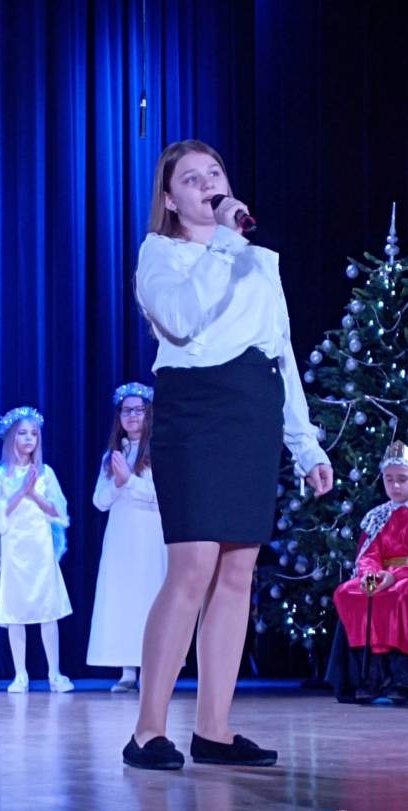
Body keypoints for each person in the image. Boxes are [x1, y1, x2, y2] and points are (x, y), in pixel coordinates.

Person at [124, 139, 333, 770]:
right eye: (191, 179)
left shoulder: (256, 260)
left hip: (253, 408)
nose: (207, 184)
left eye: (214, 172)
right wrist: (219, 244)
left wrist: (305, 443)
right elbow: (181, 319)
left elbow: (281, 351)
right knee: (192, 568)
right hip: (197, 408)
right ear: (169, 199)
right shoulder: (159, 254)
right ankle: (147, 731)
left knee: (238, 572)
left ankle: (213, 729)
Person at [0, 406, 73, 693]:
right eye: (22, 433)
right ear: (11, 437)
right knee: (16, 612)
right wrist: (21, 490)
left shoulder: (45, 473)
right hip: (15, 549)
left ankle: (54, 673)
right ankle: (20, 674)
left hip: (41, 548)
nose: (28, 439)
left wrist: (33, 492)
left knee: (48, 610)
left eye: (33, 434)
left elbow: (58, 511)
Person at [86, 383, 166, 691]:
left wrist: (129, 480)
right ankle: (127, 670)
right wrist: (118, 482)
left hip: (149, 534)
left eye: (138, 410)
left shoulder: (158, 450)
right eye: (126, 410)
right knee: (122, 598)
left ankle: (151, 670)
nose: (132, 416)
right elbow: (99, 501)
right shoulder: (113, 455)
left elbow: (161, 496)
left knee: (149, 596)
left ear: (149, 414)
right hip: (120, 536)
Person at [332, 440, 408, 702]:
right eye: (389, 480)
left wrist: (393, 576)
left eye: (402, 480)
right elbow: (368, 553)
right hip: (381, 576)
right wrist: (370, 576)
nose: (395, 486)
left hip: (403, 577)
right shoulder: (377, 516)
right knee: (349, 592)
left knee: (399, 596)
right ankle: (371, 673)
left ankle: (401, 676)